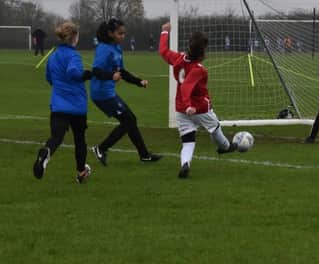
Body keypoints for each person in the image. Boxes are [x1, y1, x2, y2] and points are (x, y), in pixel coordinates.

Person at [158, 22, 237, 178]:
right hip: (199, 108)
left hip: (180, 109)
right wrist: (189, 105)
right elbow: (186, 86)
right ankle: (225, 147)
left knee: (188, 141)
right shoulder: (199, 69)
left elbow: (163, 51)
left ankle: (185, 163)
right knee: (214, 127)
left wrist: (165, 33)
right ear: (204, 49)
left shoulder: (178, 59)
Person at [90, 18, 162, 166]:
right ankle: (101, 148)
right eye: (120, 33)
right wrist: (111, 76)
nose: (123, 36)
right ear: (110, 33)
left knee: (130, 120)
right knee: (129, 121)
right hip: (101, 94)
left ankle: (144, 155)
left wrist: (138, 82)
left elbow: (121, 71)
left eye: (124, 33)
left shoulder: (117, 49)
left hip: (108, 93)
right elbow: (96, 71)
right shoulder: (104, 49)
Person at [33, 22, 93, 183]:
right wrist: (86, 75)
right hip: (77, 106)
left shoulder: (53, 56)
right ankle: (81, 173)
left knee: (56, 137)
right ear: (75, 37)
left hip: (59, 104)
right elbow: (73, 73)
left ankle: (46, 153)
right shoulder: (73, 55)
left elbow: (49, 79)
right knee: (79, 139)